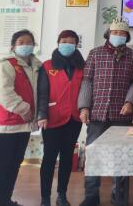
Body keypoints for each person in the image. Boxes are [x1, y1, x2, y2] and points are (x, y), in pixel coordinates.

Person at [77, 19, 133, 206]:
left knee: (121, 157)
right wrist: (84, 107)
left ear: (127, 36)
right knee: (93, 156)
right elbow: (87, 81)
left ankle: (119, 197)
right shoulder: (95, 53)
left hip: (122, 114)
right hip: (97, 113)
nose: (119, 36)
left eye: (123, 33)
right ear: (108, 34)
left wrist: (130, 101)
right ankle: (91, 197)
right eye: (115, 32)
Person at [0, 29, 41, 206]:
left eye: (29, 42)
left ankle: (6, 199)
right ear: (13, 46)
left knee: (15, 163)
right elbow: (3, 92)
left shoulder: (37, 66)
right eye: (21, 42)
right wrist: (23, 109)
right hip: (9, 122)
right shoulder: (6, 64)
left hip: (25, 123)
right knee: (4, 164)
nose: (25, 45)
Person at [37, 30, 85, 206]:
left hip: (73, 119)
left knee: (67, 158)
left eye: (71, 41)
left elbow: (86, 90)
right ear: (58, 43)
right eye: (64, 41)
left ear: (76, 45)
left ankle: (62, 195)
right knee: (49, 158)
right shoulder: (47, 66)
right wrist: (42, 114)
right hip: (52, 119)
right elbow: (42, 92)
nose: (67, 44)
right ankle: (45, 197)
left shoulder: (82, 66)